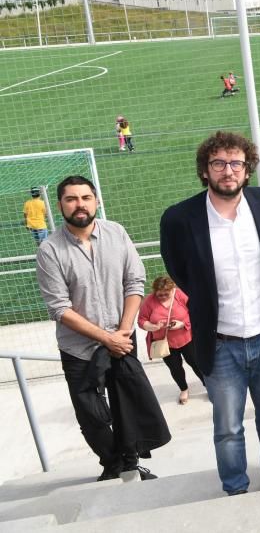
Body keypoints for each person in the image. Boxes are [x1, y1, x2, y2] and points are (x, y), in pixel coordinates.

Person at [159, 131, 260, 495]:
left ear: (248, 169)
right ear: (205, 171)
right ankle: (235, 487)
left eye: (236, 163)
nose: (228, 171)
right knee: (228, 426)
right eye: (218, 163)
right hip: (219, 344)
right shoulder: (180, 218)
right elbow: (180, 271)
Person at [36, 176, 169, 482]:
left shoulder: (116, 233)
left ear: (96, 200)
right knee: (90, 414)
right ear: (60, 206)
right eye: (71, 199)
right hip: (79, 348)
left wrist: (122, 332)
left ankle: (131, 462)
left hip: (122, 336)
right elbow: (60, 308)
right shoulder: (50, 250)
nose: (79, 204)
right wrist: (106, 338)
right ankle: (112, 463)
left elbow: (134, 283)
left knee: (126, 404)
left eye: (85, 197)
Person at [139, 276, 203, 405]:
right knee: (175, 368)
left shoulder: (180, 295)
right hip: (164, 342)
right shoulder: (149, 301)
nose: (162, 297)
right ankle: (183, 389)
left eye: (165, 294)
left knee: (196, 363)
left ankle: (209, 386)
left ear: (172, 289)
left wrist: (183, 324)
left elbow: (196, 313)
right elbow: (141, 320)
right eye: (159, 294)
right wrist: (153, 327)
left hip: (186, 339)